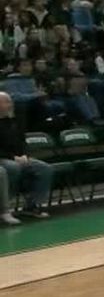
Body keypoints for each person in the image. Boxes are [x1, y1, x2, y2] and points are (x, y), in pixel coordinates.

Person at [0, 92, 52, 220]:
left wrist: (25, 155)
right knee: (12, 167)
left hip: (17, 157)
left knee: (44, 168)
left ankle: (32, 206)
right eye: (6, 102)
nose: (10, 105)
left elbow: (22, 142)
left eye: (10, 101)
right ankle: (5, 207)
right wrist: (13, 158)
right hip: (4, 159)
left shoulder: (13, 121)